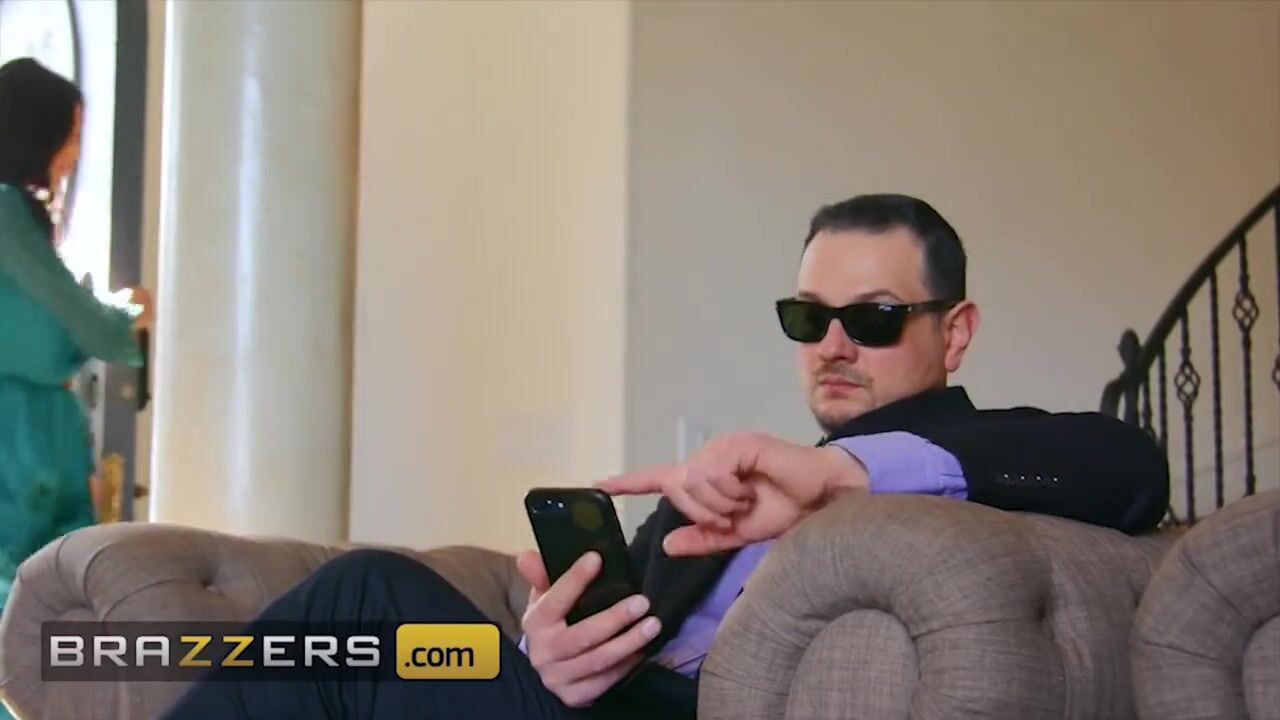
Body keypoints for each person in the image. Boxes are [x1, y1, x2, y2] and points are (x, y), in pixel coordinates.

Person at [158, 194, 1168, 719]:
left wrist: (847, 475)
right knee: (376, 645)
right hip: (591, 704)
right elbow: (611, 639)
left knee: (365, 597)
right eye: (806, 316)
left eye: (870, 317)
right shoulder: (724, 490)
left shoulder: (984, 453)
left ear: (955, 332)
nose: (831, 344)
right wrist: (551, 649)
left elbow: (1130, 468)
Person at [0, 57, 153, 614]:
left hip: (37, 438)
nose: (73, 152)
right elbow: (86, 323)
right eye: (71, 133)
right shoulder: (6, 210)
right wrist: (129, 311)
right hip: (20, 441)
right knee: (33, 607)